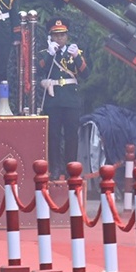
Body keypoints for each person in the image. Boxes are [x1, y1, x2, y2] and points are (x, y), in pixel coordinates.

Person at [40, 18, 89, 168]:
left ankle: (71, 167)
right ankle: (55, 167)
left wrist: (77, 58)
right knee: (53, 136)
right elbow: (40, 70)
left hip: (70, 100)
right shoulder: (45, 53)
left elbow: (86, 74)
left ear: (67, 36)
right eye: (55, 35)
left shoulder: (75, 52)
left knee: (71, 135)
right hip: (53, 100)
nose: (59, 38)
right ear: (50, 36)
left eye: (62, 35)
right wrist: (50, 54)